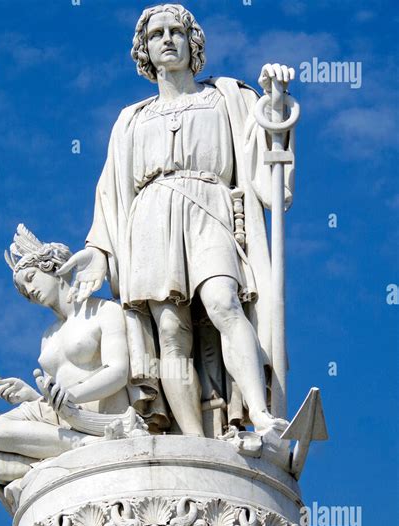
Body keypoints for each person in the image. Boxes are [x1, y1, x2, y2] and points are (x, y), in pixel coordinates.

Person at [63, 4, 296, 436]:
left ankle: (260, 414)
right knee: (170, 331)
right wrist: (98, 250)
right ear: (145, 50)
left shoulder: (226, 96)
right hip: (150, 218)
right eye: (156, 34)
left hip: (211, 206)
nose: (167, 39)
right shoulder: (130, 119)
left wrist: (276, 101)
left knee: (225, 301)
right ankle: (192, 439)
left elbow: (265, 146)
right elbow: (111, 192)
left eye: (176, 31)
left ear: (192, 43)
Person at [0, 224, 131, 489]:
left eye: (30, 278)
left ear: (51, 267)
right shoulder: (48, 336)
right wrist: (31, 395)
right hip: (59, 414)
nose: (29, 291)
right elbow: (54, 394)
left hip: (94, 411)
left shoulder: (105, 311)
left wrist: (72, 396)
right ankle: (89, 448)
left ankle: (84, 446)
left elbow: (118, 372)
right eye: (23, 290)